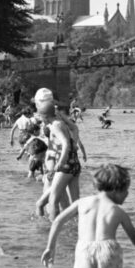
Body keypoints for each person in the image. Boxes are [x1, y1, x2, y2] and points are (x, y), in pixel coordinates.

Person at [34, 91, 87, 221]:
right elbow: (75, 128)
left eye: (40, 116)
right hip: (75, 164)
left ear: (45, 116)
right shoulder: (60, 122)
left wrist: (60, 163)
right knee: (75, 202)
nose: (39, 119)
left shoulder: (54, 126)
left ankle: (54, 227)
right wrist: (63, 117)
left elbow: (65, 144)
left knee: (53, 200)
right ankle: (77, 227)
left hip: (66, 165)